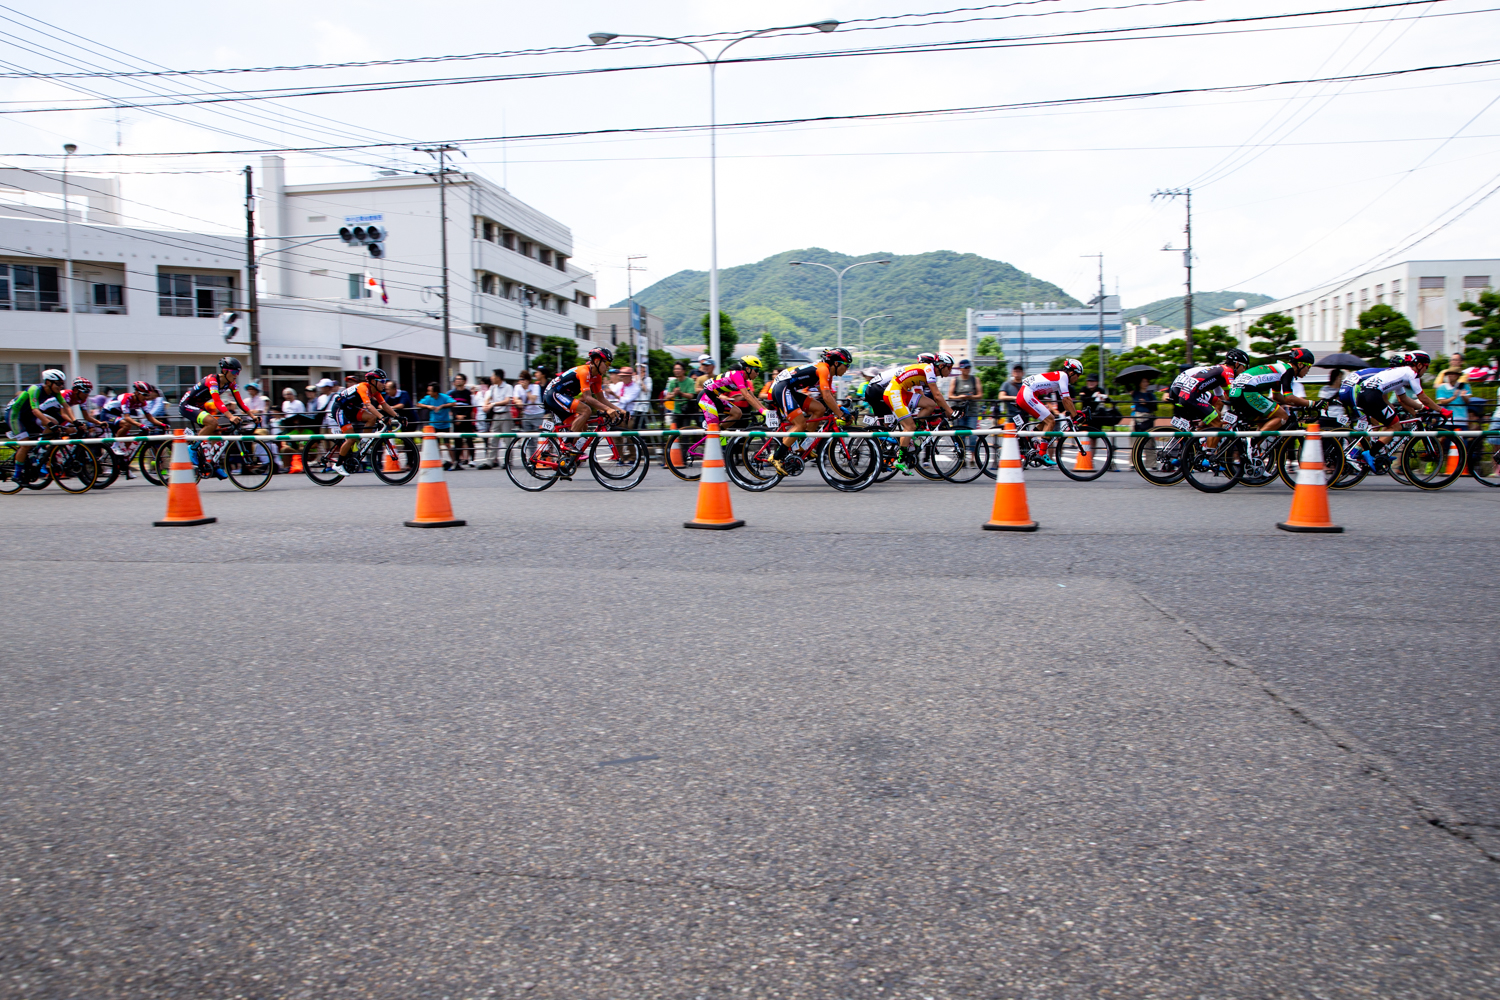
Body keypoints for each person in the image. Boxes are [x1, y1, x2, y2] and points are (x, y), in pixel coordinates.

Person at [860, 351, 956, 474]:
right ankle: (900, 460)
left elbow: (925, 397)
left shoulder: (927, 371)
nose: (951, 371)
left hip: (901, 392)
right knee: (909, 426)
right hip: (893, 392)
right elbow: (937, 395)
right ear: (941, 365)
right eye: (950, 367)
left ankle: (911, 435)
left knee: (930, 405)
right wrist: (950, 411)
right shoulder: (929, 370)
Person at [1347, 351, 1445, 470]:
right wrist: (1442, 410)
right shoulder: (1412, 373)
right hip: (1372, 395)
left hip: (1364, 394)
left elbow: (1403, 399)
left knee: (1385, 423)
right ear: (1419, 365)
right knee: (1396, 427)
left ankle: (1378, 453)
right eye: (1426, 367)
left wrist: (1422, 408)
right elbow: (1423, 397)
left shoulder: (1399, 374)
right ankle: (1370, 454)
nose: (1425, 371)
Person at [771, 348, 856, 474]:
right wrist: (841, 415)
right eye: (846, 365)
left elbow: (828, 396)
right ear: (836, 363)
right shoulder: (823, 369)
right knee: (800, 424)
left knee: (820, 409)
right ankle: (776, 457)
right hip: (782, 388)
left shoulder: (828, 373)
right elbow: (826, 396)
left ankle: (804, 446)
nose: (847, 369)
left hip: (791, 390)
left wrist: (841, 409)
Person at [177, 358, 256, 477]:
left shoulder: (231, 383)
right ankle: (193, 448)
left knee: (215, 432)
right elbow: (217, 401)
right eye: (234, 372)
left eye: (238, 373)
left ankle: (212, 464)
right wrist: (230, 416)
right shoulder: (212, 380)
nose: (236, 375)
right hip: (187, 405)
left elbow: (240, 402)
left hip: (198, 406)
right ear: (225, 371)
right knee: (212, 423)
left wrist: (253, 416)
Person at [542, 347, 625, 451]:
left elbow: (602, 399)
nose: (608, 367)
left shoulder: (597, 377)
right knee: (586, 410)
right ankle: (567, 443)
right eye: (607, 364)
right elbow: (587, 398)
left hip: (563, 396)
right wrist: (607, 409)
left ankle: (566, 458)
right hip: (553, 394)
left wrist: (620, 410)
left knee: (582, 428)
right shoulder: (584, 371)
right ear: (597, 361)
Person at [329, 369, 404, 476]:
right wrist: (382, 418)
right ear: (373, 381)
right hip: (340, 408)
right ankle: (338, 464)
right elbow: (369, 406)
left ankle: (362, 444)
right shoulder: (363, 387)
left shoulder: (375, 391)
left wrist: (398, 416)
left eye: (384, 381)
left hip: (351, 408)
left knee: (372, 418)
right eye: (382, 382)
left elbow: (385, 405)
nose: (384, 384)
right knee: (351, 438)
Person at [1226, 348, 1315, 434]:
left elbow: (1276, 396)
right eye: (1309, 366)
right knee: (1282, 416)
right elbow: (1289, 398)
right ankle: (1252, 442)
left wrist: (1297, 403)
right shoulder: (1289, 370)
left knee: (1264, 422)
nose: (1308, 370)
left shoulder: (1280, 369)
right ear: (1300, 365)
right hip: (1247, 391)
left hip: (1236, 391)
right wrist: (1312, 403)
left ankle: (1254, 447)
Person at [5, 368, 69, 480]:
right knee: (26, 445)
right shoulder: (35, 389)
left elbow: (67, 407)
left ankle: (39, 450)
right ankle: (17, 475)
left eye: (62, 384)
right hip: (15, 415)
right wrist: (48, 424)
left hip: (28, 415)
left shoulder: (56, 392)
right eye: (58, 383)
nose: (61, 387)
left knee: (55, 423)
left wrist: (76, 422)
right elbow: (36, 410)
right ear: (48, 382)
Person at [1016, 358, 1084, 463]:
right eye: (1078, 376)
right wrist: (1075, 416)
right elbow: (1067, 399)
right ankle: (1042, 454)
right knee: (1051, 420)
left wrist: (1073, 413)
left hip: (1026, 393)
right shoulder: (1063, 376)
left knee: (1046, 419)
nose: (1078, 379)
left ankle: (1028, 438)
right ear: (1071, 372)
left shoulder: (1061, 377)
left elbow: (1065, 401)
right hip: (1027, 393)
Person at [1167, 349, 1249, 435]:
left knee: (1214, 411)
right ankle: (1205, 439)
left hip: (1180, 390)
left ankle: (1201, 431)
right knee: (1216, 421)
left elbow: (1225, 396)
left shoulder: (1217, 370)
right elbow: (1233, 393)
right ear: (1237, 364)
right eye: (1244, 367)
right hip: (1187, 391)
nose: (1244, 370)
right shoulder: (1228, 371)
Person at [698, 356, 770, 432]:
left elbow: (753, 397)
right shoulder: (737, 375)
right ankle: (712, 437)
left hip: (714, 397)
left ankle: (720, 435)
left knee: (737, 413)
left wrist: (766, 410)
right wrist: (762, 411)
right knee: (713, 429)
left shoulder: (744, 380)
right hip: (705, 398)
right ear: (748, 369)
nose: (758, 373)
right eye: (756, 370)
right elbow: (747, 396)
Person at [416, 382, 457, 467]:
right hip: (434, 424)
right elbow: (418, 404)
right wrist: (428, 407)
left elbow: (453, 403)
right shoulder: (428, 398)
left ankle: (454, 461)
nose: (428, 393)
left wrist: (442, 406)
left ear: (435, 392)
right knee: (437, 445)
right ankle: (440, 461)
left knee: (447, 444)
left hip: (445, 424)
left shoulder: (444, 397)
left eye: (429, 391)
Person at [449, 374, 475, 469]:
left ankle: (472, 459)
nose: (458, 381)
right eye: (456, 379)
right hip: (456, 420)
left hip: (466, 419)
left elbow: (470, 406)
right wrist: (456, 416)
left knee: (469, 439)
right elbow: (451, 406)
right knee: (457, 441)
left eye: (460, 379)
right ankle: (457, 461)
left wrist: (463, 416)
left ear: (464, 381)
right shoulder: (451, 393)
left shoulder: (468, 393)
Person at [948, 359, 981, 430]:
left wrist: (971, 397)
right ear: (960, 369)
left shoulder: (975, 379)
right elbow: (950, 396)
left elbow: (980, 395)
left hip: (972, 411)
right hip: (959, 411)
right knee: (960, 435)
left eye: (969, 367)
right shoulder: (955, 380)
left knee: (973, 435)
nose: (967, 369)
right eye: (965, 368)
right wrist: (960, 397)